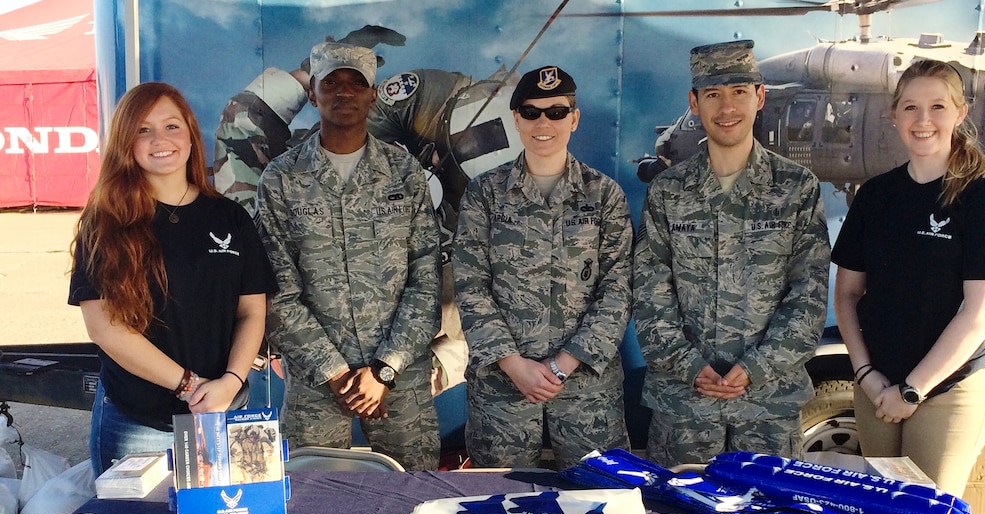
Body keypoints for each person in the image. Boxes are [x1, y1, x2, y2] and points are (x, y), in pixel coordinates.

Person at [633, 40, 830, 466]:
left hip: (767, 410)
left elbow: (808, 297)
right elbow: (650, 294)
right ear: (694, 103)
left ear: (760, 97)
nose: (727, 108)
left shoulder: (796, 188)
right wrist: (688, 366)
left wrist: (755, 368)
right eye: (713, 95)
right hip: (684, 409)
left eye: (739, 92)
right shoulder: (668, 192)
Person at [68, 82, 276, 477]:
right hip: (139, 422)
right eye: (143, 130)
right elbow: (105, 328)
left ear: (191, 135)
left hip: (225, 413)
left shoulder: (230, 217)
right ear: (125, 143)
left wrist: (230, 383)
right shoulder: (106, 223)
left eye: (171, 126)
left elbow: (252, 311)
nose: (159, 140)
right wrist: (189, 386)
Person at [832, 59, 985, 496]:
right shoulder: (875, 196)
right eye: (911, 108)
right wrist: (866, 374)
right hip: (876, 387)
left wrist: (913, 390)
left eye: (937, 107)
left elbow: (981, 312)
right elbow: (847, 295)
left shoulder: (984, 198)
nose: (923, 120)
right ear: (894, 115)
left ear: (960, 113)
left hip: (948, 391)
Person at [257, 42, 442, 470]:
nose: (344, 92)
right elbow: (278, 292)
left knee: (414, 497)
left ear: (373, 95)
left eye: (357, 83)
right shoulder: (282, 179)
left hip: (400, 380)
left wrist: (383, 371)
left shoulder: (404, 174)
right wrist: (341, 376)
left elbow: (426, 281)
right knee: (308, 502)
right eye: (332, 82)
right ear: (313, 93)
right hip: (318, 381)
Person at [451, 66, 633, 470]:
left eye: (556, 111)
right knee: (497, 508)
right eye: (531, 113)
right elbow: (470, 285)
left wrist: (561, 364)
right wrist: (515, 366)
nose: (543, 123)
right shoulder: (485, 194)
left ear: (574, 118)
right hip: (502, 396)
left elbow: (618, 288)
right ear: (516, 119)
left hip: (588, 395)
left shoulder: (604, 196)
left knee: (597, 510)